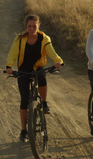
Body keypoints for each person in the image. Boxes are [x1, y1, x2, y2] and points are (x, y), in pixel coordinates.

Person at [6, 14, 63, 142]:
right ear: (26, 27)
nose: (31, 29)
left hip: (38, 67)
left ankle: (44, 102)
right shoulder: (20, 39)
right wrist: (9, 66)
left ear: (39, 26)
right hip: (24, 70)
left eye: (34, 26)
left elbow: (51, 51)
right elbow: (13, 53)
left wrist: (57, 60)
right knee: (24, 100)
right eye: (29, 26)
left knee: (42, 77)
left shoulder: (44, 38)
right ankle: (23, 130)